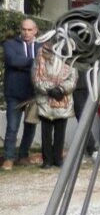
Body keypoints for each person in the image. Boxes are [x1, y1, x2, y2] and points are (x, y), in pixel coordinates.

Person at [31, 41, 76, 169]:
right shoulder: (39, 59)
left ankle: (58, 158)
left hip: (63, 101)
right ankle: (47, 160)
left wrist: (61, 89)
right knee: (46, 132)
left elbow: (72, 79)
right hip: (45, 100)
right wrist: (50, 90)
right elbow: (36, 79)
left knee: (60, 132)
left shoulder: (69, 58)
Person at [3, 18, 40, 170]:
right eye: (24, 29)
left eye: (29, 30)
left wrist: (24, 63)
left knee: (30, 126)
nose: (26, 32)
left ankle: (23, 155)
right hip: (14, 93)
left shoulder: (41, 46)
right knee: (12, 127)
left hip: (33, 93)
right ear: (20, 29)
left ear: (35, 30)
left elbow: (46, 64)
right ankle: (8, 158)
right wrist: (33, 61)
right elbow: (13, 60)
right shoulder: (10, 44)